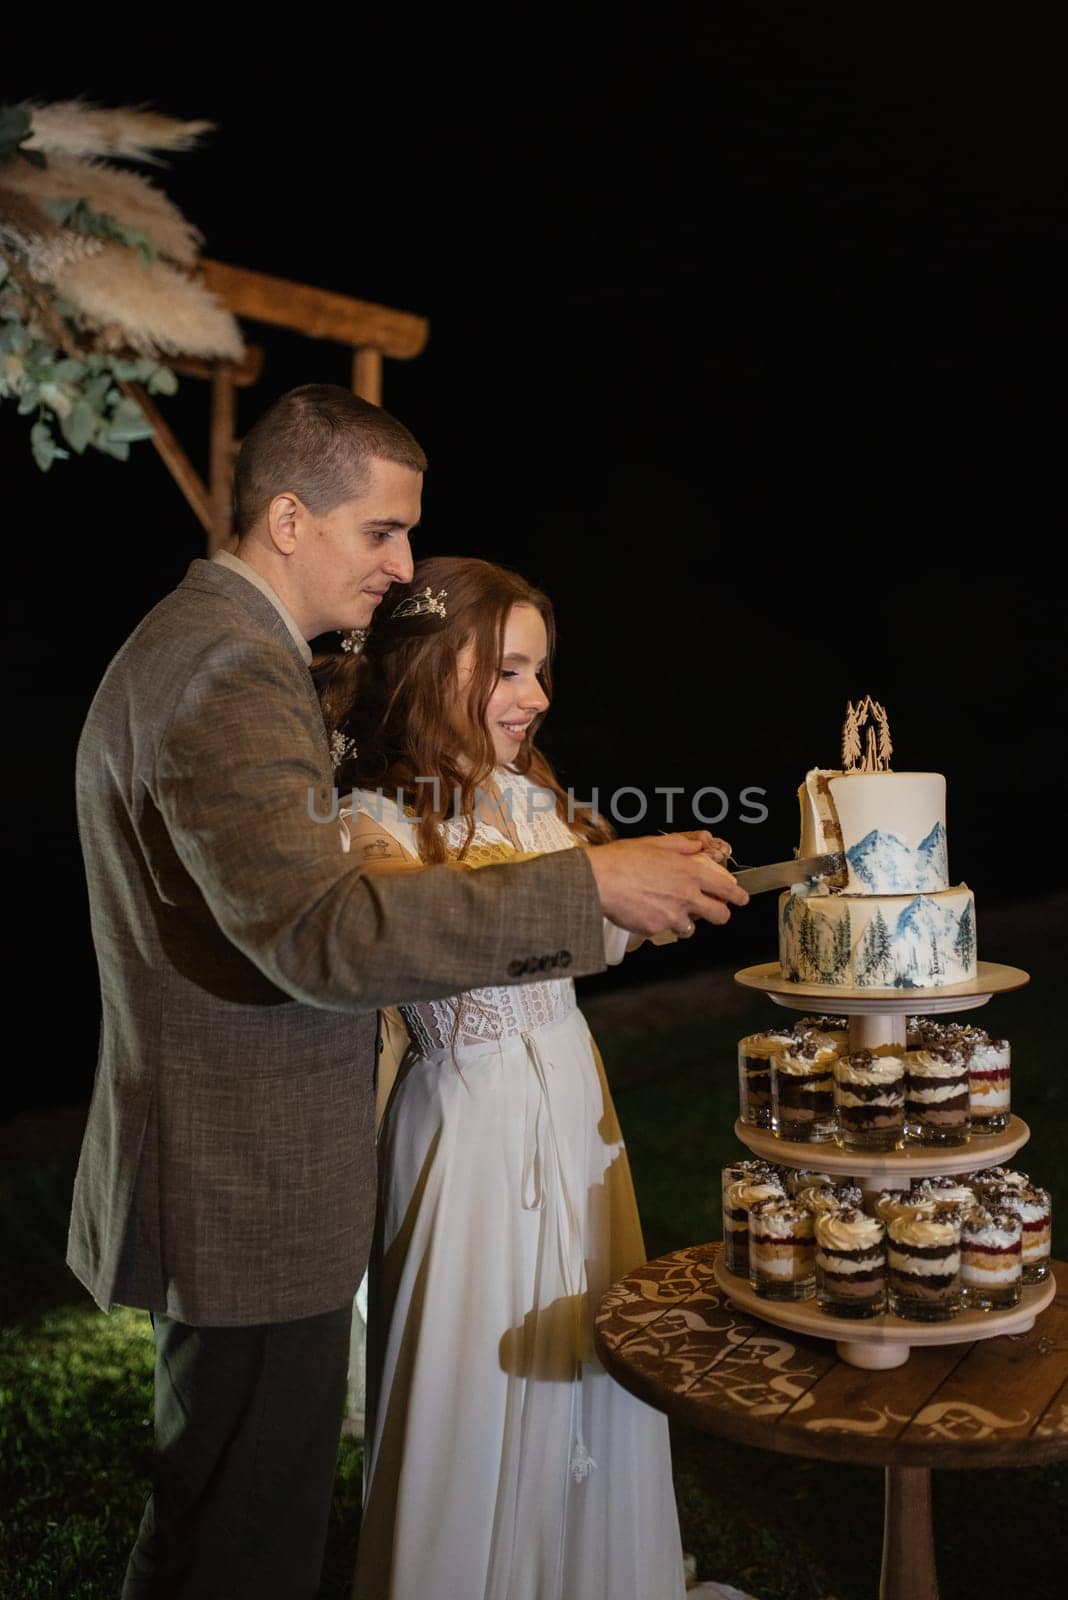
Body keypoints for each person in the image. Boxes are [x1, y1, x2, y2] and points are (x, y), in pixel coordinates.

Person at [67, 384, 748, 1600]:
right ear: (289, 517)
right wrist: (584, 885)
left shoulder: (237, 656)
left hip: (248, 1171)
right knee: (235, 1544)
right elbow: (325, 930)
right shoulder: (223, 669)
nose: (405, 563)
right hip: (244, 1184)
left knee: (233, 1520)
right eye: (382, 531)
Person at [318, 555, 738, 1600]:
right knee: (477, 1371)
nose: (538, 698)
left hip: (571, 1100)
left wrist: (654, 877)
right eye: (509, 672)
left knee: (592, 1344)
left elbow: (578, 923)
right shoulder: (373, 817)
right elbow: (414, 935)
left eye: (540, 673)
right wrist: (599, 881)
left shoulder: (531, 792)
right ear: (430, 673)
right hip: (470, 1127)